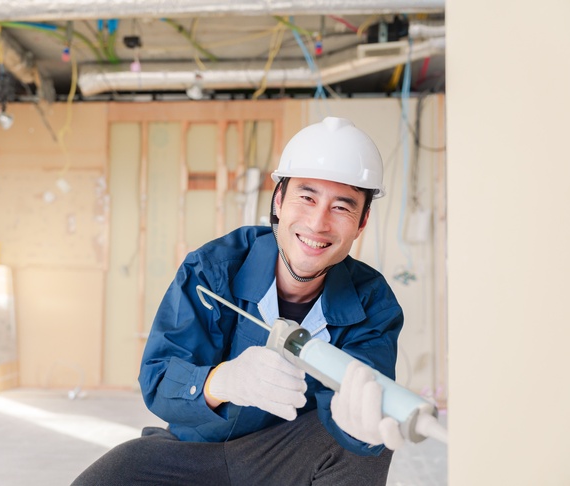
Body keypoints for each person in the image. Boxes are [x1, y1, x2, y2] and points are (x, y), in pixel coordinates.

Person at [73, 117, 406, 486]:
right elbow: (159, 383)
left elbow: (361, 399)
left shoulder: (372, 303)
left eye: (341, 208)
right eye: (306, 198)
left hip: (282, 460)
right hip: (193, 453)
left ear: (362, 222)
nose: (317, 223)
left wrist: (360, 425)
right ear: (278, 201)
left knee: (364, 439)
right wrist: (223, 381)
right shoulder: (213, 269)